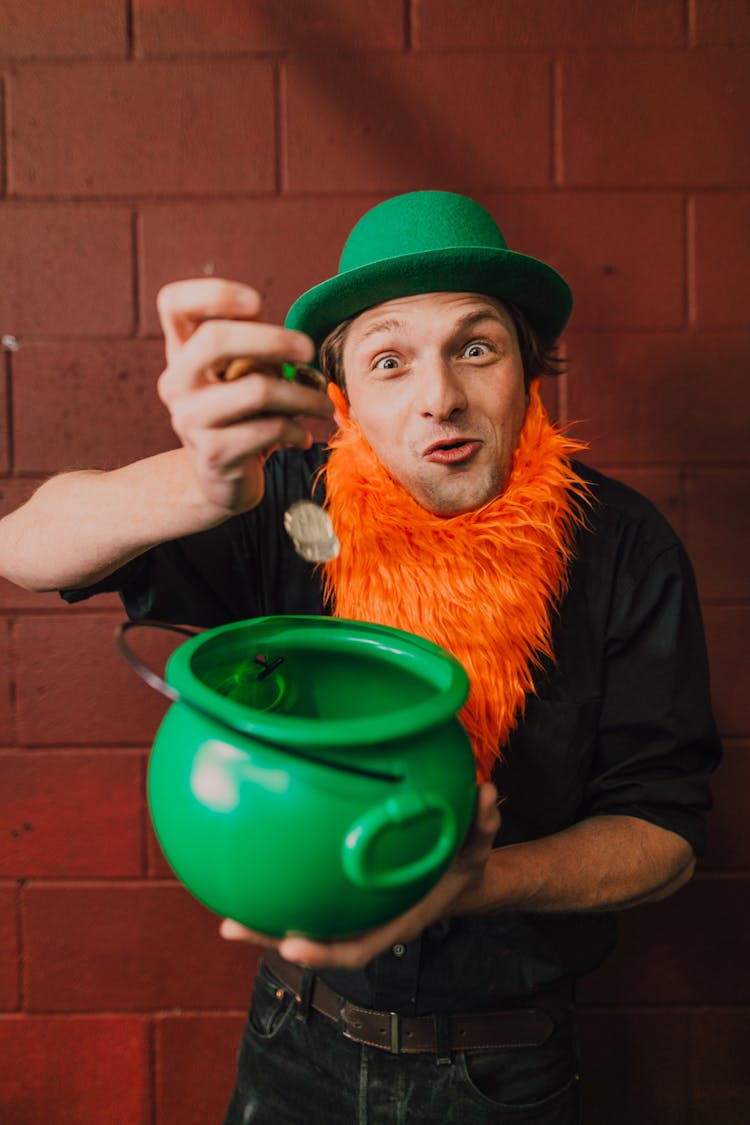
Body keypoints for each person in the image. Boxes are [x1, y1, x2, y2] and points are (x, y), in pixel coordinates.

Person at [0, 191, 720, 1124]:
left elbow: (666, 839)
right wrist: (204, 483)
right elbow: (22, 549)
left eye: (476, 346)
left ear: (530, 372)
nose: (440, 396)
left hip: (507, 1071)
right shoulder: (282, 506)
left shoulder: (625, 546)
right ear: (343, 400)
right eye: (389, 360)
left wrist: (474, 883)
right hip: (292, 1046)